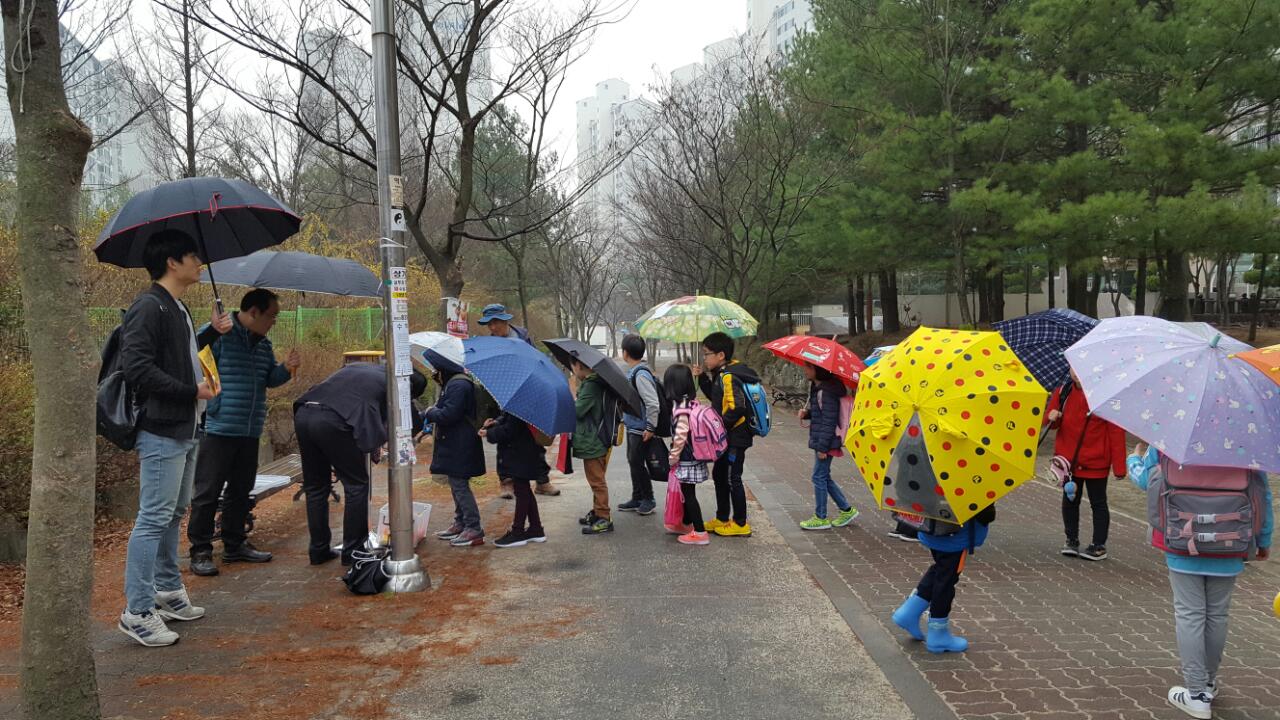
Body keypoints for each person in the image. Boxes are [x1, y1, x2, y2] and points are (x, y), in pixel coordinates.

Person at [118, 229, 232, 648]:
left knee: (173, 512)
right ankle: (137, 609)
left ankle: (166, 591)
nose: (198, 264)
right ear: (173, 262)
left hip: (185, 427)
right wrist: (192, 392)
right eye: (193, 257)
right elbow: (138, 368)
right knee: (152, 518)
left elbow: (178, 356)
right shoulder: (149, 306)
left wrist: (211, 334)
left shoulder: (176, 307)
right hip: (163, 429)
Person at [1128, 443, 1272, 719]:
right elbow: (1262, 495)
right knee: (1217, 614)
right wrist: (1263, 539)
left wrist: (1133, 459)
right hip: (1232, 540)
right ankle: (1207, 683)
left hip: (1182, 540)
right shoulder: (1245, 440)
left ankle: (1195, 695)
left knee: (1190, 614)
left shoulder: (1170, 436)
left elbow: (1147, 481)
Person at [188, 289, 300, 576]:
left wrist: (286, 369)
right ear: (253, 312)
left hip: (250, 429)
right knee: (208, 491)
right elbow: (195, 352)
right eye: (271, 315)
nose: (274, 321)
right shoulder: (220, 334)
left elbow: (269, 379)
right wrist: (214, 330)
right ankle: (200, 550)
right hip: (220, 426)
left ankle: (234, 544)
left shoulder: (263, 344)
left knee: (241, 489)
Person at [295, 364, 426, 564]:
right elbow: (405, 421)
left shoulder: (364, 368)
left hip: (304, 413)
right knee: (356, 485)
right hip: (333, 420)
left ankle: (318, 550)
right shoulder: (395, 384)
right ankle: (353, 552)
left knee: (316, 487)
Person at [480, 302, 560, 498]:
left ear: (505, 320)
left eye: (495, 323)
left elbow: (535, 361)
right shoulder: (489, 344)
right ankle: (506, 481)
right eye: (489, 324)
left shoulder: (523, 337)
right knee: (505, 438)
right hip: (502, 396)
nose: (492, 328)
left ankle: (542, 480)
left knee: (534, 438)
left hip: (528, 392)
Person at [1046, 372, 1126, 560]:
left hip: (1096, 460)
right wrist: (1052, 416)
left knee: (1098, 503)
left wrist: (1119, 466)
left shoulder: (1106, 396)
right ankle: (1071, 539)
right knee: (1070, 500)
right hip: (1068, 461)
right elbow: (1051, 424)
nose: (1077, 373)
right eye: (1074, 368)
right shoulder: (1063, 392)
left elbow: (1116, 431)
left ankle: (1098, 544)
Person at [891, 508, 994, 654]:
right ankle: (938, 634)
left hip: (932, 524)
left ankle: (909, 612)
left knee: (941, 569)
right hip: (955, 533)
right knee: (946, 580)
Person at [693, 331, 759, 537]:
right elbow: (716, 397)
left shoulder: (730, 376)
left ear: (720, 355)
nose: (704, 358)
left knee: (732, 478)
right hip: (726, 437)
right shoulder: (722, 374)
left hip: (736, 437)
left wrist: (718, 426)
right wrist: (702, 377)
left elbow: (736, 406)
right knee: (719, 475)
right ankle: (722, 518)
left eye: (707, 354)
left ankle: (740, 523)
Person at [426, 361, 488, 547]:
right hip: (456, 442)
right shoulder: (454, 383)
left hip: (461, 443)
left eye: (437, 369)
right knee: (456, 483)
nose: (434, 372)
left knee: (460, 485)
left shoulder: (458, 385)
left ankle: (473, 528)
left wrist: (430, 412)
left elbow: (449, 414)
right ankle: (460, 522)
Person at [796, 363, 859, 531]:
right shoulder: (819, 389)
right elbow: (821, 414)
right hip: (825, 439)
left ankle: (821, 517)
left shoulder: (826, 392)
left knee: (818, 477)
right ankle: (846, 509)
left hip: (827, 440)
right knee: (824, 476)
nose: (805, 370)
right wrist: (807, 414)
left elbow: (828, 422)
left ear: (818, 371)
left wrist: (822, 448)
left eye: (808, 368)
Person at [481, 413, 550, 548]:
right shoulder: (523, 404)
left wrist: (489, 433)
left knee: (522, 490)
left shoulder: (523, 405)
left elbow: (510, 430)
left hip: (521, 452)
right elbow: (509, 420)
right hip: (525, 451)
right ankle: (536, 529)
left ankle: (518, 532)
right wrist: (496, 422)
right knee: (525, 490)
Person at [664, 365, 710, 546]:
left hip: (686, 458)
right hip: (693, 455)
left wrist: (673, 456)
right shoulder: (691, 402)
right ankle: (686, 525)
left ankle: (699, 532)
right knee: (688, 492)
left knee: (689, 494)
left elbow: (681, 435)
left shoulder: (681, 408)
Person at [618, 334, 662, 516]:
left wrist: (651, 427)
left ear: (625, 353)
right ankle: (637, 497)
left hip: (641, 428)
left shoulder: (640, 374)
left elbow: (652, 403)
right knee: (633, 462)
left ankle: (648, 499)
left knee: (637, 463)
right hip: (634, 426)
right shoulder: (636, 371)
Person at [572, 358, 616, 535]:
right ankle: (598, 512)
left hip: (593, 439)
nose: (573, 370)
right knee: (595, 479)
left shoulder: (591, 385)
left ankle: (604, 518)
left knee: (597, 481)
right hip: (595, 438)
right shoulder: (595, 383)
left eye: (573, 366)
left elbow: (578, 410)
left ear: (580, 365)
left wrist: (572, 391)